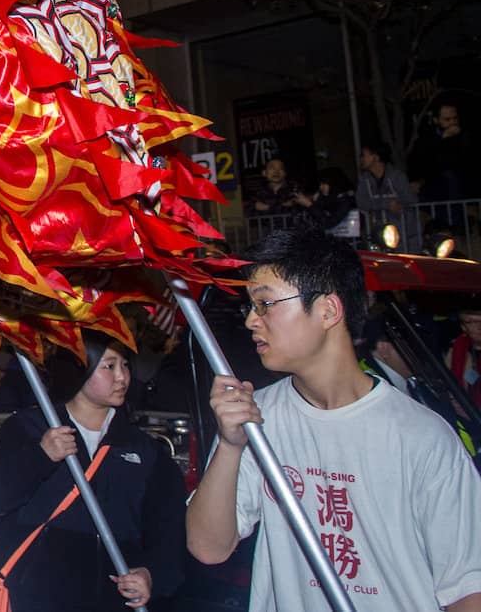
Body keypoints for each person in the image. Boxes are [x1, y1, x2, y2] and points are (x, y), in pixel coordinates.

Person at [186, 227, 481, 612]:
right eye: (250, 307)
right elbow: (208, 547)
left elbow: (465, 588)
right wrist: (229, 445)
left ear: (327, 310)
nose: (251, 322)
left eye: (265, 304)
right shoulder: (257, 418)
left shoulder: (421, 436)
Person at [0, 333, 185, 611]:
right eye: (109, 366)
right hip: (39, 596)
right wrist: (41, 457)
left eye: (125, 365)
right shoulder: (30, 428)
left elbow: (168, 531)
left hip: (111, 600)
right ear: (79, 368)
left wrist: (152, 575)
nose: (122, 377)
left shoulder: (144, 449)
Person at [356, 142, 419, 249]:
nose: (361, 159)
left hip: (404, 232)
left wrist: (399, 205)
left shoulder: (396, 176)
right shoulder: (364, 180)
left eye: (364, 155)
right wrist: (386, 204)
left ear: (375, 157)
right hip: (379, 234)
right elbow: (361, 202)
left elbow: (411, 199)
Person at [451, 303, 481, 411]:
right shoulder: (459, 345)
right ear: (463, 327)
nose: (479, 327)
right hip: (464, 409)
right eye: (472, 322)